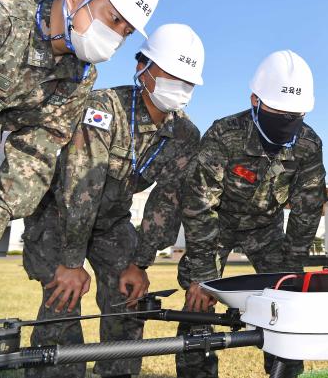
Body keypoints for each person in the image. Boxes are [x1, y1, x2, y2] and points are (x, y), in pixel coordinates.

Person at [22, 23, 203, 378]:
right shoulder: (103, 109)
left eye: (188, 81)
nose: (180, 87)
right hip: (59, 217)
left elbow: (166, 203)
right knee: (63, 300)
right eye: (172, 74)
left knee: (129, 297)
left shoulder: (184, 134)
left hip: (111, 223)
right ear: (143, 68)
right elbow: (79, 188)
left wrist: (140, 262)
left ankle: (117, 372)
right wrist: (73, 263)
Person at [177, 49, 327, 378]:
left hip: (266, 230)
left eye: (295, 113)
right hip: (217, 226)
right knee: (198, 305)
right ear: (255, 100)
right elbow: (200, 203)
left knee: (289, 300)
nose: (287, 119)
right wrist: (203, 275)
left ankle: (284, 372)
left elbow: (308, 205)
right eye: (278, 111)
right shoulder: (224, 134)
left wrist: (295, 260)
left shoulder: (308, 145)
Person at [0, 0, 161, 240]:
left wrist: (1, 210)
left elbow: (37, 150)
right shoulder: (4, 22)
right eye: (114, 20)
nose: (117, 37)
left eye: (127, 32)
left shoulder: (81, 75)